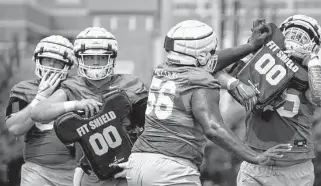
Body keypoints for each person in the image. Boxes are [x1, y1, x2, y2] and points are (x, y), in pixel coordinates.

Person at [123, 20, 291, 186]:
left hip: (137, 163)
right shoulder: (202, 81)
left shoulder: (161, 70)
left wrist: (251, 46)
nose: (214, 54)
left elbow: (209, 62)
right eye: (211, 51)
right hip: (171, 169)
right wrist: (255, 156)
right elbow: (213, 129)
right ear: (203, 55)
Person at [216, 15, 321, 186]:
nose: (295, 39)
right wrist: (234, 83)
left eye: (301, 36)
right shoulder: (261, 60)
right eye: (291, 33)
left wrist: (312, 61)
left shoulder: (311, 76)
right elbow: (213, 66)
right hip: (255, 162)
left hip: (294, 167)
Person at [30, 27, 149, 186]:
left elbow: (152, 127)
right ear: (79, 59)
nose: (95, 62)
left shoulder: (130, 83)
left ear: (112, 58)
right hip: (93, 173)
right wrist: (75, 104)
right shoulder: (72, 87)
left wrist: (143, 163)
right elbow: (38, 113)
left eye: (101, 57)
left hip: (130, 169)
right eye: (89, 57)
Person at [5, 35, 77, 186]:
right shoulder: (23, 89)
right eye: (47, 59)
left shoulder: (76, 88)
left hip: (74, 170)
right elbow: (14, 127)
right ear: (38, 60)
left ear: (67, 65)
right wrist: (39, 98)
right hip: (37, 170)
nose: (51, 65)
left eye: (57, 62)